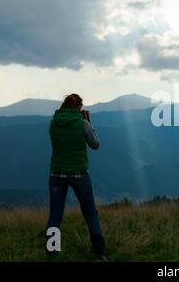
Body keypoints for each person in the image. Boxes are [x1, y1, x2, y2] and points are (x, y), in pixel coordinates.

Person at [45, 93, 106, 260]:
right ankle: (99, 252)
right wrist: (89, 123)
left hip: (56, 173)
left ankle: (51, 251)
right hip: (79, 173)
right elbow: (95, 145)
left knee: (55, 214)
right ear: (79, 108)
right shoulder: (83, 124)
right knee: (90, 213)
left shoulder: (53, 123)